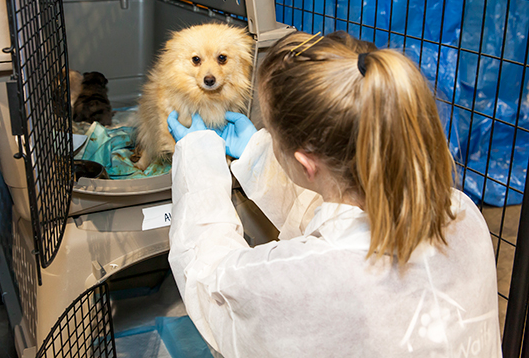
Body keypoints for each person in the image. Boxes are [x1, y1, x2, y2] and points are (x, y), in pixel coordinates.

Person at [166, 30, 502, 357]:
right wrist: (258, 155)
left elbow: (209, 285)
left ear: (305, 164)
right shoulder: (464, 215)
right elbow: (340, 217)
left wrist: (198, 158)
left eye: (274, 139)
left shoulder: (293, 279)